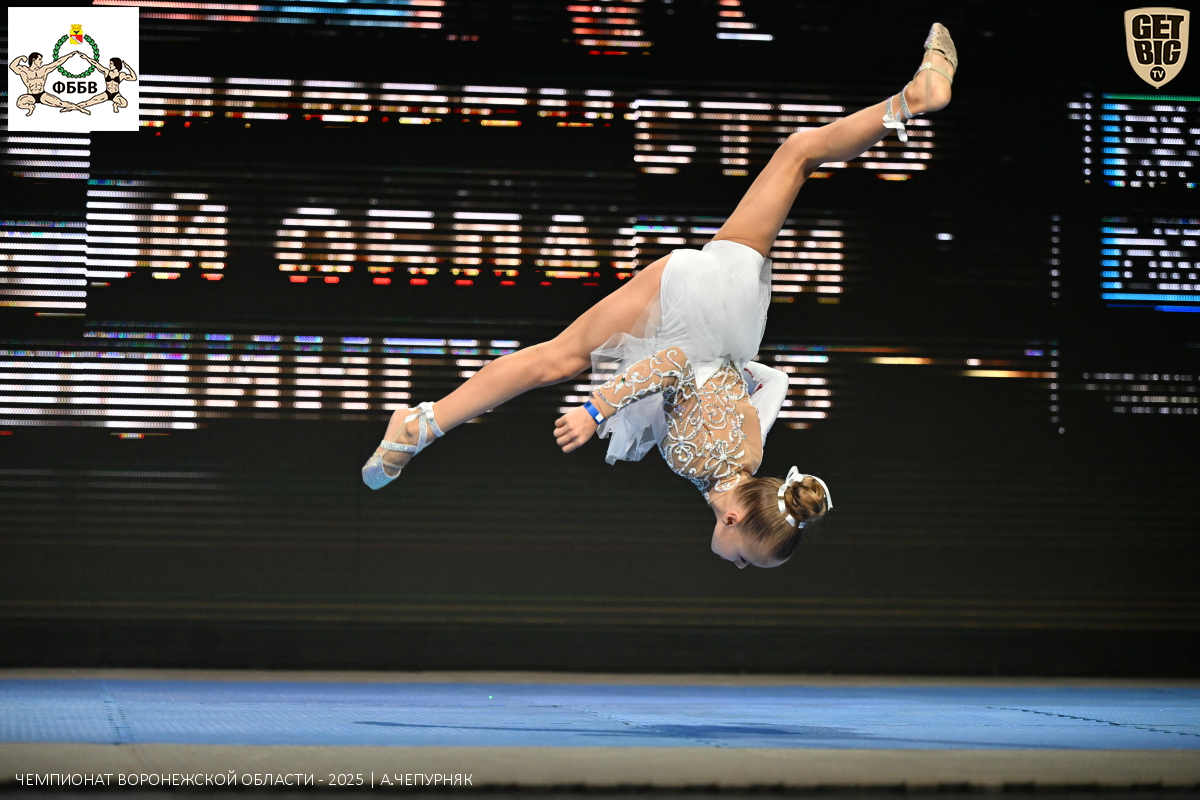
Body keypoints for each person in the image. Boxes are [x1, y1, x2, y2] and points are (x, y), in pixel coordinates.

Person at [363, 23, 958, 568]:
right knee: (559, 360)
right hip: (697, 312)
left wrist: (730, 370)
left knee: (798, 154)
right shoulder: (700, 462)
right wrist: (597, 411)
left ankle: (911, 100)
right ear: (733, 520)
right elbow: (672, 362)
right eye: (745, 560)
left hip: (735, 314)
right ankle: (421, 426)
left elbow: (774, 382)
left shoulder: (752, 460)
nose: (737, 566)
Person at [9, 52, 91, 116]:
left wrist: (69, 56)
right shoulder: (24, 70)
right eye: (39, 59)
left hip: (42, 95)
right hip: (30, 96)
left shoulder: (43, 69)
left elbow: (57, 63)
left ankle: (80, 109)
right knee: (20, 103)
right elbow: (12, 66)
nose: (41, 61)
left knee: (60, 103)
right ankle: (30, 107)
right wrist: (21, 57)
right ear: (34, 60)